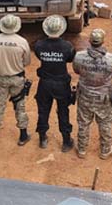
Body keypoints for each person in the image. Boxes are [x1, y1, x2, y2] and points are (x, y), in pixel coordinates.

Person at [73, 28, 112, 159]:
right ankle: (105, 150)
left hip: (84, 95)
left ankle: (82, 149)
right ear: (103, 41)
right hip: (103, 97)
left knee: (83, 122)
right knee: (105, 123)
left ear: (90, 41)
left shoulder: (79, 56)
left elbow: (77, 70)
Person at [0, 14, 32, 145]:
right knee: (20, 106)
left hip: (0, 78)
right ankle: (23, 135)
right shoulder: (22, 41)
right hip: (17, 78)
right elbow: (27, 62)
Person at [34, 15, 76, 152]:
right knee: (63, 111)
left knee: (43, 110)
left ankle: (42, 139)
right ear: (61, 29)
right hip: (61, 84)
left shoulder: (39, 45)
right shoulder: (67, 46)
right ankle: (65, 141)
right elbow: (70, 59)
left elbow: (38, 55)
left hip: (44, 83)